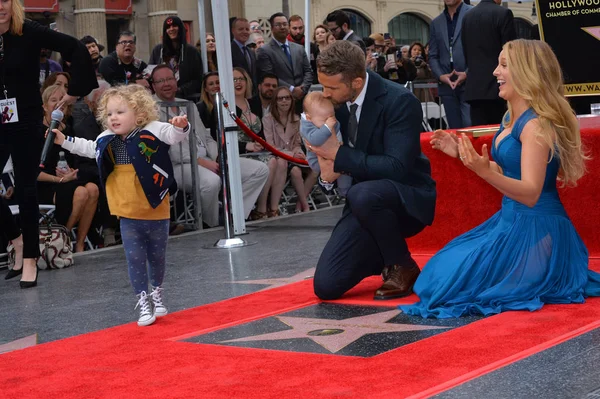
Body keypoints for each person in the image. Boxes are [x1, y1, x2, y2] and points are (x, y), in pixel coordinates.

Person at [400, 39, 600, 318]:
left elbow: (530, 193)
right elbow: (508, 173)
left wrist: (481, 170)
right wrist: (460, 153)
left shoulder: (536, 126)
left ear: (528, 73)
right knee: (437, 273)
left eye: (504, 65)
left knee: (448, 285)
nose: (495, 72)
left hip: (537, 229)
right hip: (512, 221)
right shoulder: (512, 119)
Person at [51, 85, 189, 326]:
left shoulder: (153, 129)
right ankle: (143, 300)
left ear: (139, 113)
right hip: (125, 205)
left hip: (154, 203)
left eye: (120, 112)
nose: (114, 118)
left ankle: (157, 291)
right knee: (134, 257)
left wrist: (180, 126)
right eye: (110, 113)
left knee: (157, 256)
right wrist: (65, 141)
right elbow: (88, 148)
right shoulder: (106, 139)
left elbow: (173, 135)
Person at [309, 41, 436, 300]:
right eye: (322, 85)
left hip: (405, 197)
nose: (326, 93)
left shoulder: (399, 101)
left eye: (332, 87)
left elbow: (397, 167)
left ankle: (402, 265)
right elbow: (328, 165)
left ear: (356, 82)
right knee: (326, 285)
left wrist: (339, 155)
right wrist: (326, 175)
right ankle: (379, 250)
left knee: (363, 194)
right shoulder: (334, 104)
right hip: (362, 202)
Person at [0, 0, 98, 288]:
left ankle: (30, 257)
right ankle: (16, 239)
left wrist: (75, 91)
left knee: (27, 185)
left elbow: (75, 47)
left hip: (27, 117)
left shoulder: (28, 31)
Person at [151, 65, 268, 227]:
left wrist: (217, 156)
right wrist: (202, 162)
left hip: (207, 157)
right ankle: (209, 225)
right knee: (212, 181)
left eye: (169, 79)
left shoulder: (188, 105)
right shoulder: (151, 109)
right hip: (178, 165)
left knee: (259, 170)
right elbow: (171, 150)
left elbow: (206, 136)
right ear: (153, 85)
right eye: (161, 80)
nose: (166, 84)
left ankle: (233, 215)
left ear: (176, 80)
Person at [38, 85, 99, 253]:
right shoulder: (36, 131)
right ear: (44, 106)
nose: (59, 104)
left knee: (92, 189)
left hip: (67, 180)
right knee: (81, 193)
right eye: (53, 100)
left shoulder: (68, 129)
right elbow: (32, 172)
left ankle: (79, 243)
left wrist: (71, 172)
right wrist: (60, 179)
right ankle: (63, 239)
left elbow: (73, 161)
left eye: (62, 100)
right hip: (46, 183)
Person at [462, 0, 516, 126]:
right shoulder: (504, 13)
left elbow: (465, 52)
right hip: (499, 87)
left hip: (474, 89)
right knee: (501, 132)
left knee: (479, 137)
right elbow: (511, 52)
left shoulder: (467, 17)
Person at [262, 87, 311, 215]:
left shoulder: (296, 119)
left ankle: (303, 206)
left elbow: (296, 143)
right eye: (280, 98)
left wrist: (298, 151)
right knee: (283, 163)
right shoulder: (268, 119)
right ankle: (274, 208)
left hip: (293, 159)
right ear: (275, 102)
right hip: (276, 157)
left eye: (287, 98)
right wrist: (292, 154)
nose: (284, 101)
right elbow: (270, 145)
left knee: (298, 170)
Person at [256, 13, 313, 114]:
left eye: (285, 24)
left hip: (302, 102)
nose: (282, 27)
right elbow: (269, 75)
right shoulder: (264, 51)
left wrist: (302, 89)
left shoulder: (299, 48)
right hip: (280, 102)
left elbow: (308, 71)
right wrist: (292, 89)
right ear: (272, 28)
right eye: (278, 25)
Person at [428, 0, 473, 129]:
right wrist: (441, 76)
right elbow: (433, 55)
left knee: (469, 127)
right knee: (454, 130)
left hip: (469, 83)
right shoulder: (436, 22)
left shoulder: (472, 14)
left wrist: (467, 73)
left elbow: (479, 50)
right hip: (447, 86)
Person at [301, 91, 351, 196]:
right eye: (325, 119)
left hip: (336, 154)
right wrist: (327, 127)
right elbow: (314, 140)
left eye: (332, 116)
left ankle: (345, 190)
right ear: (309, 118)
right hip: (317, 161)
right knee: (337, 167)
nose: (330, 120)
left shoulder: (328, 119)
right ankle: (343, 190)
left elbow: (337, 128)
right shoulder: (306, 126)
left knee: (345, 169)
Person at [149, 16, 203, 100]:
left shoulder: (192, 51)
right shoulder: (158, 50)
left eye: (174, 26)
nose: (171, 29)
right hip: (161, 99)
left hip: (186, 98)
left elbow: (198, 79)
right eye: (168, 27)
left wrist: (180, 90)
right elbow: (150, 73)